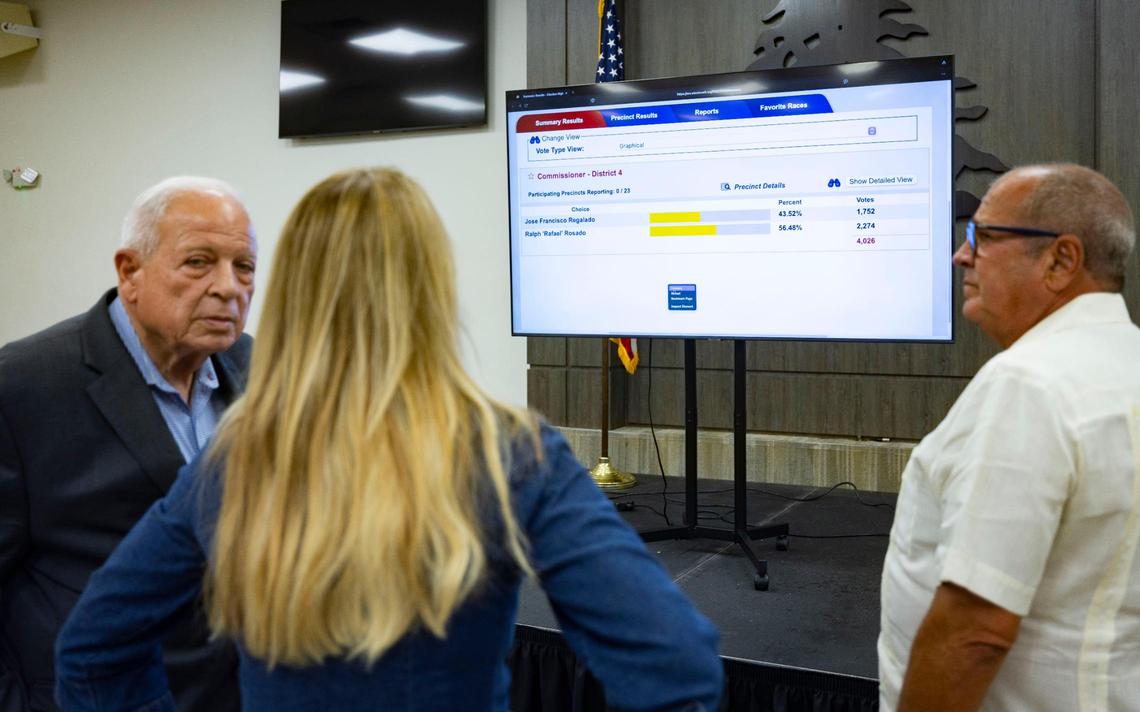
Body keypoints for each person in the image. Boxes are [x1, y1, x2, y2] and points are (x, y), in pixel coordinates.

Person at [53, 167, 723, 712]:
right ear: (432, 290)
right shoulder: (508, 451)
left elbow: (93, 647)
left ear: (293, 294)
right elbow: (674, 662)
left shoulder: (236, 458)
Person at [878, 163, 1140, 711]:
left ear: (1061, 260)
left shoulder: (1030, 384)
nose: (961, 254)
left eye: (984, 236)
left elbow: (974, 631)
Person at [0, 176, 255, 712]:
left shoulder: (261, 371)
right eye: (198, 262)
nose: (229, 287)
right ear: (129, 271)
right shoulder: (22, 385)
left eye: (244, 267)